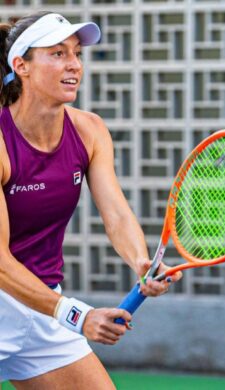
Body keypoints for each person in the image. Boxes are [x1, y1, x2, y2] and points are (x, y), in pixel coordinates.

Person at [0, 11, 180, 389]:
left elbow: (115, 213)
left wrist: (141, 262)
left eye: (77, 53)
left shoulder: (89, 130)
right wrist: (77, 316)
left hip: (41, 308)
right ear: (22, 66)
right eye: (58, 53)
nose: (74, 65)